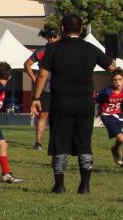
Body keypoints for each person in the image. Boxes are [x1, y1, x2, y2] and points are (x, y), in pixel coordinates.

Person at [32, 14, 118, 194]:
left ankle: (59, 185)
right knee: (84, 142)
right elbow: (112, 66)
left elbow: (42, 75)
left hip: (61, 101)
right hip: (85, 103)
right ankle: (85, 185)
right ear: (81, 30)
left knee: (59, 142)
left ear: (63, 29)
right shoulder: (90, 48)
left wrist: (35, 98)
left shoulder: (53, 49)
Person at [24, 26, 60, 150]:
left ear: (59, 37)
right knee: (43, 116)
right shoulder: (42, 51)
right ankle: (38, 142)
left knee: (59, 116)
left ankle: (57, 141)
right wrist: (34, 78)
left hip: (60, 88)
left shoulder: (63, 50)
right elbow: (27, 64)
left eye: (54, 36)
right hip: (45, 89)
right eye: (49, 37)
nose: (52, 39)